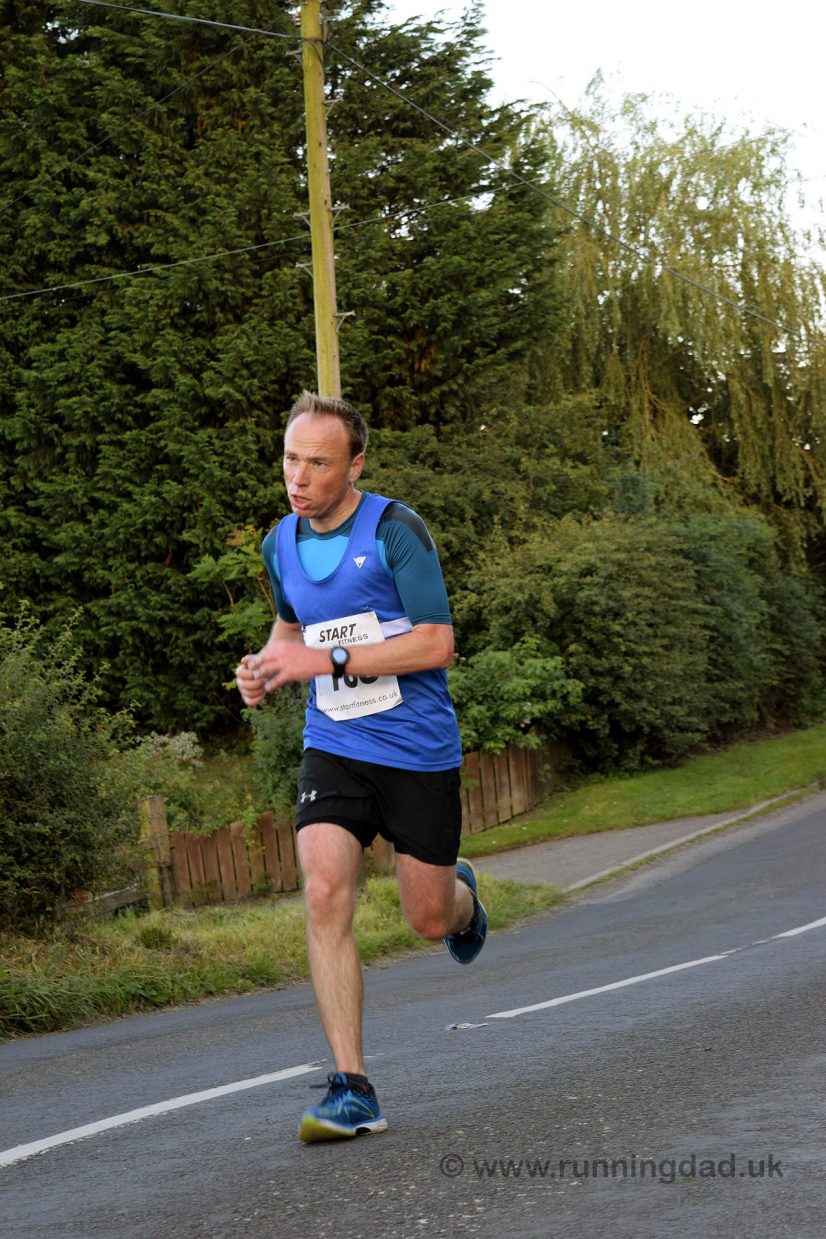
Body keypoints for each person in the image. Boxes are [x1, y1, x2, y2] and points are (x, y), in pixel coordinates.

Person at [235, 390, 487, 1144]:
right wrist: (266, 667)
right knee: (322, 891)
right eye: (291, 459)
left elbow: (437, 643)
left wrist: (326, 659)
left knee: (428, 919)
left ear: (355, 465)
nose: (299, 477)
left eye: (318, 462)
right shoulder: (280, 543)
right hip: (335, 742)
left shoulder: (396, 531)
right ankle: (353, 1087)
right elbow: (289, 628)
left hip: (415, 748)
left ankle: (463, 900)